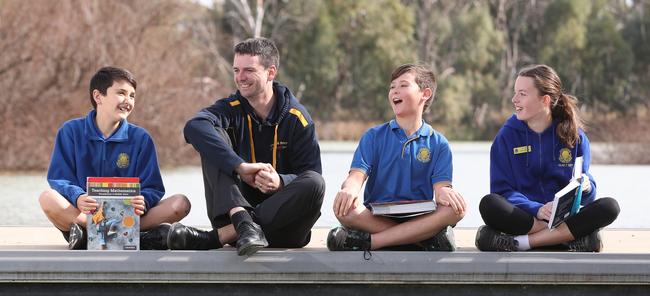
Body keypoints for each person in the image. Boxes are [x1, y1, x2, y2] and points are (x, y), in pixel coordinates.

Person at [169, 37, 324, 256]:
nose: (240, 78)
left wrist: (280, 182)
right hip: (234, 216)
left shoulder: (297, 117)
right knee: (212, 138)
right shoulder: (230, 108)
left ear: (271, 72)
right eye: (236, 70)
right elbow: (193, 127)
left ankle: (221, 236)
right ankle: (242, 222)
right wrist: (239, 166)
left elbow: (312, 177)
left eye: (249, 70)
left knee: (315, 183)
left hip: (285, 228)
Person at [39, 66, 191, 250]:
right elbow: (59, 179)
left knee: (180, 204)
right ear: (98, 96)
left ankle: (98, 236)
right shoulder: (70, 131)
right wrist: (78, 197)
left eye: (132, 96)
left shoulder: (141, 138)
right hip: (81, 219)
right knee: (47, 198)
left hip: (129, 217)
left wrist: (144, 200)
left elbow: (153, 187)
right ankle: (133, 237)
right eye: (121, 93)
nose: (128, 101)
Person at [476, 64, 620, 252]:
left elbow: (587, 196)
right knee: (490, 205)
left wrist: (586, 185)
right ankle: (566, 238)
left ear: (544, 100)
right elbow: (501, 191)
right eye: (515, 93)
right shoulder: (506, 136)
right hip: (527, 218)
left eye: (522, 94)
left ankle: (522, 243)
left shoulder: (574, 135)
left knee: (609, 207)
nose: (514, 99)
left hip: (565, 216)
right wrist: (537, 209)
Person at [327, 64, 466, 255]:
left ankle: (373, 241)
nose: (395, 91)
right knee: (344, 210)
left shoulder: (439, 143)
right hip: (376, 216)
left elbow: (442, 188)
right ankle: (422, 240)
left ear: (425, 94)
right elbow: (356, 176)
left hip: (419, 217)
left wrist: (445, 193)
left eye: (403, 85)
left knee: (456, 210)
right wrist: (349, 189)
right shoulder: (373, 136)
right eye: (392, 87)